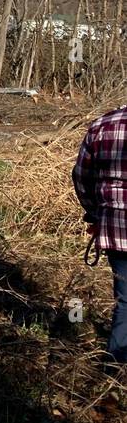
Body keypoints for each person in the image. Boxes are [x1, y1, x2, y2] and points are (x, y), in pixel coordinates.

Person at [72, 105, 127, 363]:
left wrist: (96, 213)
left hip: (116, 226)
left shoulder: (103, 124)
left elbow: (82, 176)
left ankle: (116, 367)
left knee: (126, 301)